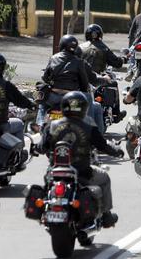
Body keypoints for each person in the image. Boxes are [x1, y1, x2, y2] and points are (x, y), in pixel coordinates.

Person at [40, 92, 123, 228]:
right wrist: (115, 151)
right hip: (82, 171)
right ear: (84, 107)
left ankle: (46, 208)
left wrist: (37, 149)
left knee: (46, 185)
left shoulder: (53, 125)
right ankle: (106, 215)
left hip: (54, 172)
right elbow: (102, 145)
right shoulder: (88, 124)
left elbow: (42, 147)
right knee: (104, 178)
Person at [38, 35, 103, 132]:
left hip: (53, 97)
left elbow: (45, 78)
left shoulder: (53, 58)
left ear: (61, 45)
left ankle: (39, 124)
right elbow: (84, 84)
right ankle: (88, 129)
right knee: (89, 99)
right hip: (71, 99)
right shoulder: (79, 62)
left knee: (42, 101)